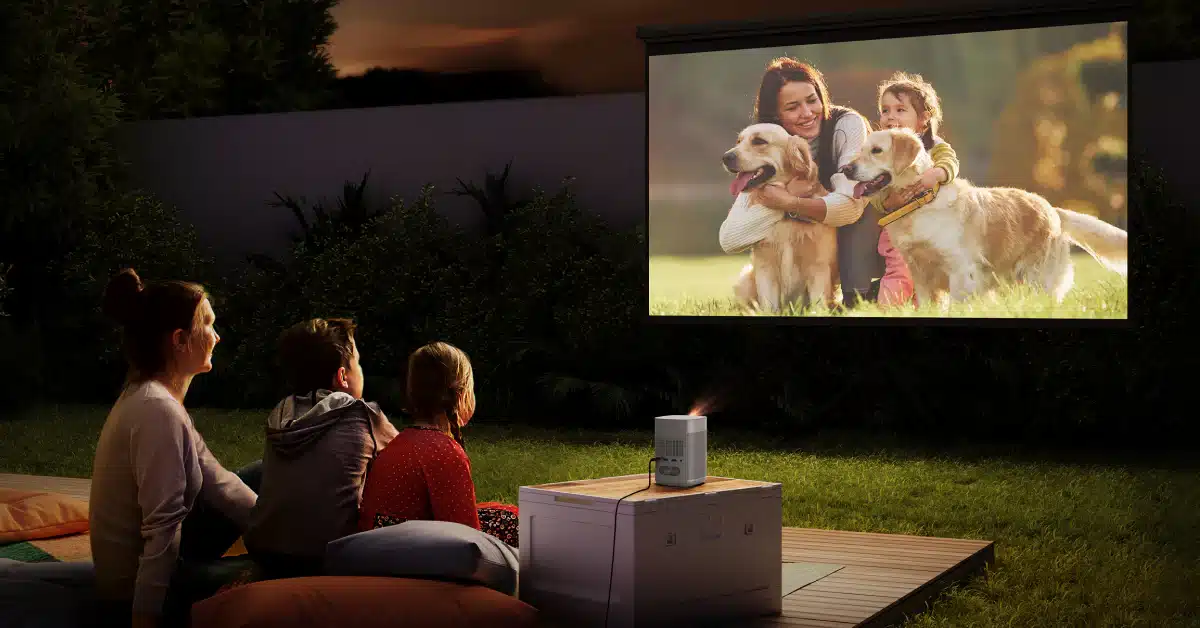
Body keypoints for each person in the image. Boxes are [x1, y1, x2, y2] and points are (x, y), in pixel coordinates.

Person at [89, 268, 259, 628]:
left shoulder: (158, 399)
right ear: (180, 340)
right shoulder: (156, 410)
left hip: (161, 564)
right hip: (138, 591)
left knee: (263, 474)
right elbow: (162, 527)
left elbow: (221, 484)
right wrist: (144, 617)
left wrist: (281, 532)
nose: (216, 336)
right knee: (266, 576)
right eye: (208, 324)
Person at [719, 57, 883, 307]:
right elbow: (730, 239)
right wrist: (776, 202)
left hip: (861, 225)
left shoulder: (846, 125)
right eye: (792, 107)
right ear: (776, 115)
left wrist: (789, 202)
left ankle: (857, 297)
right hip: (794, 240)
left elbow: (850, 205)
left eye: (812, 100)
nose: (807, 113)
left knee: (859, 209)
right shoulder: (764, 144)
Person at [243, 318, 399, 578]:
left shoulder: (281, 414)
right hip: (323, 557)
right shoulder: (362, 415)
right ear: (342, 377)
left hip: (264, 550)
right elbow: (406, 455)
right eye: (357, 362)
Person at [357, 342, 519, 547]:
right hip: (408, 556)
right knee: (516, 525)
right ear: (460, 396)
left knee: (504, 513)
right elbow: (467, 539)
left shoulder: (400, 442)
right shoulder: (445, 452)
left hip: (381, 548)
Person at [871, 71, 962, 308]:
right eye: (885, 110)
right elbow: (873, 191)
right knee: (900, 273)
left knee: (931, 280)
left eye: (900, 110)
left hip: (933, 231)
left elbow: (951, 162)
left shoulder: (935, 146)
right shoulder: (882, 150)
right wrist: (888, 201)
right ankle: (888, 311)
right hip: (900, 232)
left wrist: (937, 173)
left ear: (924, 117)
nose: (891, 117)